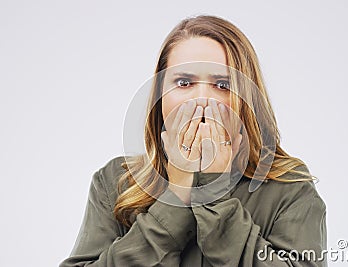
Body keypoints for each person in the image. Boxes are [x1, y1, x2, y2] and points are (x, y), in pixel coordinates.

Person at [59, 15, 327, 267]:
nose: (201, 100)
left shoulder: (289, 187)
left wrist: (213, 188)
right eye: (184, 82)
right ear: (160, 95)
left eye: (222, 85)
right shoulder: (116, 181)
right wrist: (175, 194)